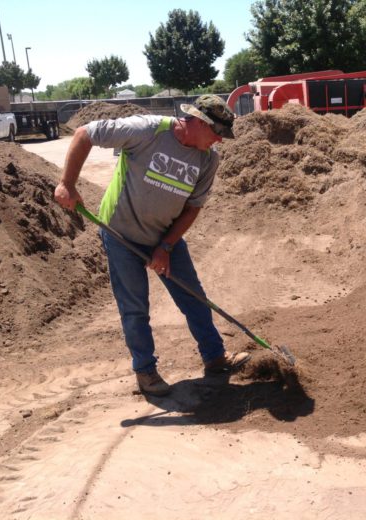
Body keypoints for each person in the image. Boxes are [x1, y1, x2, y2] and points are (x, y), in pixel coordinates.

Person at [54, 95, 250, 397]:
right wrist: (68, 183)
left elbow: (192, 208)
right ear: (198, 122)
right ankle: (145, 371)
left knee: (194, 298)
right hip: (120, 232)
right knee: (135, 308)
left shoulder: (208, 159)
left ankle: (215, 358)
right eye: (217, 134)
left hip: (164, 236)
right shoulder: (148, 130)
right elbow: (85, 134)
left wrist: (166, 247)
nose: (220, 142)